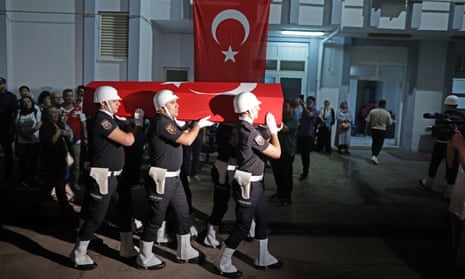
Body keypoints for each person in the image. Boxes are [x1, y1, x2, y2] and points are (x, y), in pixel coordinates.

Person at [136, 89, 214, 269]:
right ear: (162, 107)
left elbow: (181, 136)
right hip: (162, 179)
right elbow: (186, 140)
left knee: (183, 212)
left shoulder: (167, 122)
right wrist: (197, 126)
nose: (177, 105)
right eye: (172, 103)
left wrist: (191, 126)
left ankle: (184, 250)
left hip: (174, 177)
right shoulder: (162, 122)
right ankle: (145, 256)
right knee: (156, 218)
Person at [69, 85, 142, 270]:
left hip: (115, 177)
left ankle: (126, 246)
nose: (119, 103)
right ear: (103, 102)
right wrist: (138, 125)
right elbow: (128, 140)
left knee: (125, 208)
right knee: (96, 216)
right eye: (115, 100)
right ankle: (78, 253)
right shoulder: (102, 120)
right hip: (104, 177)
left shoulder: (110, 119)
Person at [214, 91, 282, 278]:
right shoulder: (250, 132)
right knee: (243, 226)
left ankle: (263, 257)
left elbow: (256, 149)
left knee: (263, 217)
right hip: (248, 185)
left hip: (255, 184)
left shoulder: (241, 128)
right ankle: (223, 261)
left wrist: (267, 133)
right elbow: (276, 153)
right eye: (257, 105)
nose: (259, 107)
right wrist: (274, 133)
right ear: (249, 108)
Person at [419, 95, 465, 199]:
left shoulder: (441, 116)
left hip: (440, 143)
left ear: (446, 104)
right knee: (452, 167)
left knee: (434, 164)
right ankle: (449, 192)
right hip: (455, 144)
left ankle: (428, 183)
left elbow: (437, 131)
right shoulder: (462, 117)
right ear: (457, 105)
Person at [203, 123, 237, 248]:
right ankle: (210, 236)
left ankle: (249, 230)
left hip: (227, 166)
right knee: (221, 204)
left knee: (241, 202)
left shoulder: (228, 127)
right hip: (223, 168)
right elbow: (234, 145)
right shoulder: (226, 128)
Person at [39, 106, 74, 211]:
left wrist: (67, 135)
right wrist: (59, 133)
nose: (55, 114)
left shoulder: (59, 124)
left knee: (52, 180)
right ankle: (63, 204)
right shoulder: (45, 127)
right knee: (59, 180)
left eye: (56, 112)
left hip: (62, 155)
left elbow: (68, 138)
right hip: (52, 158)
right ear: (47, 115)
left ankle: (43, 194)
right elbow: (49, 143)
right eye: (52, 112)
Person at [269, 100, 299, 206]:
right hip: (276, 151)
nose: (283, 109)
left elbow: (285, 129)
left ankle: (287, 198)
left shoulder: (293, 120)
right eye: (282, 106)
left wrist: (272, 122)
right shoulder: (281, 119)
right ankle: (280, 193)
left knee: (286, 176)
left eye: (286, 106)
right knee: (278, 174)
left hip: (287, 152)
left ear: (292, 108)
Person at [60, 88, 88, 192]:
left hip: (76, 141)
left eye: (71, 95)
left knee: (76, 164)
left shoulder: (78, 109)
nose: (69, 97)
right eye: (67, 95)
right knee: (63, 162)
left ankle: (75, 183)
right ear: (63, 97)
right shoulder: (59, 109)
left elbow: (83, 124)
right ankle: (63, 183)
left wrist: (85, 138)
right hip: (62, 141)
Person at [448, 129, 465, 275]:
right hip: (458, 208)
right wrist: (451, 142)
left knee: (461, 261)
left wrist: (460, 147)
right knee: (455, 256)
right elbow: (451, 164)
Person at [15, 96, 42, 188]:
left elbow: (39, 124)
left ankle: (33, 178)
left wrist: (29, 133)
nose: (27, 103)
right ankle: (23, 179)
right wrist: (24, 136)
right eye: (24, 102)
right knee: (23, 161)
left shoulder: (36, 111)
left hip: (34, 141)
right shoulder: (19, 112)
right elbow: (17, 126)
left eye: (28, 101)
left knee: (34, 161)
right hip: (22, 141)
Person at [0, 77, 18, 184]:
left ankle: (9, 176)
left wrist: (12, 129)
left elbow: (15, 113)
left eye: (1, 84)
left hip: (6, 129)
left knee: (8, 154)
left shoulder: (11, 97)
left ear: (4, 85)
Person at [364, 99, 392, 165]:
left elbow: (367, 121)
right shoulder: (387, 113)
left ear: (378, 104)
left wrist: (365, 130)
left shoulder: (373, 111)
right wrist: (387, 131)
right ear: (384, 105)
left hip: (373, 129)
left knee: (374, 142)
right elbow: (389, 123)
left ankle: (373, 154)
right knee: (380, 143)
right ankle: (375, 155)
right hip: (382, 130)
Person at [297, 96, 318, 181]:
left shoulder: (314, 110)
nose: (308, 103)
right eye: (307, 101)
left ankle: (305, 172)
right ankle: (304, 170)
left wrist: (303, 106)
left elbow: (310, 114)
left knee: (306, 154)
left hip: (308, 135)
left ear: (313, 102)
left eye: (310, 101)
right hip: (302, 133)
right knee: (302, 154)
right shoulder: (305, 110)